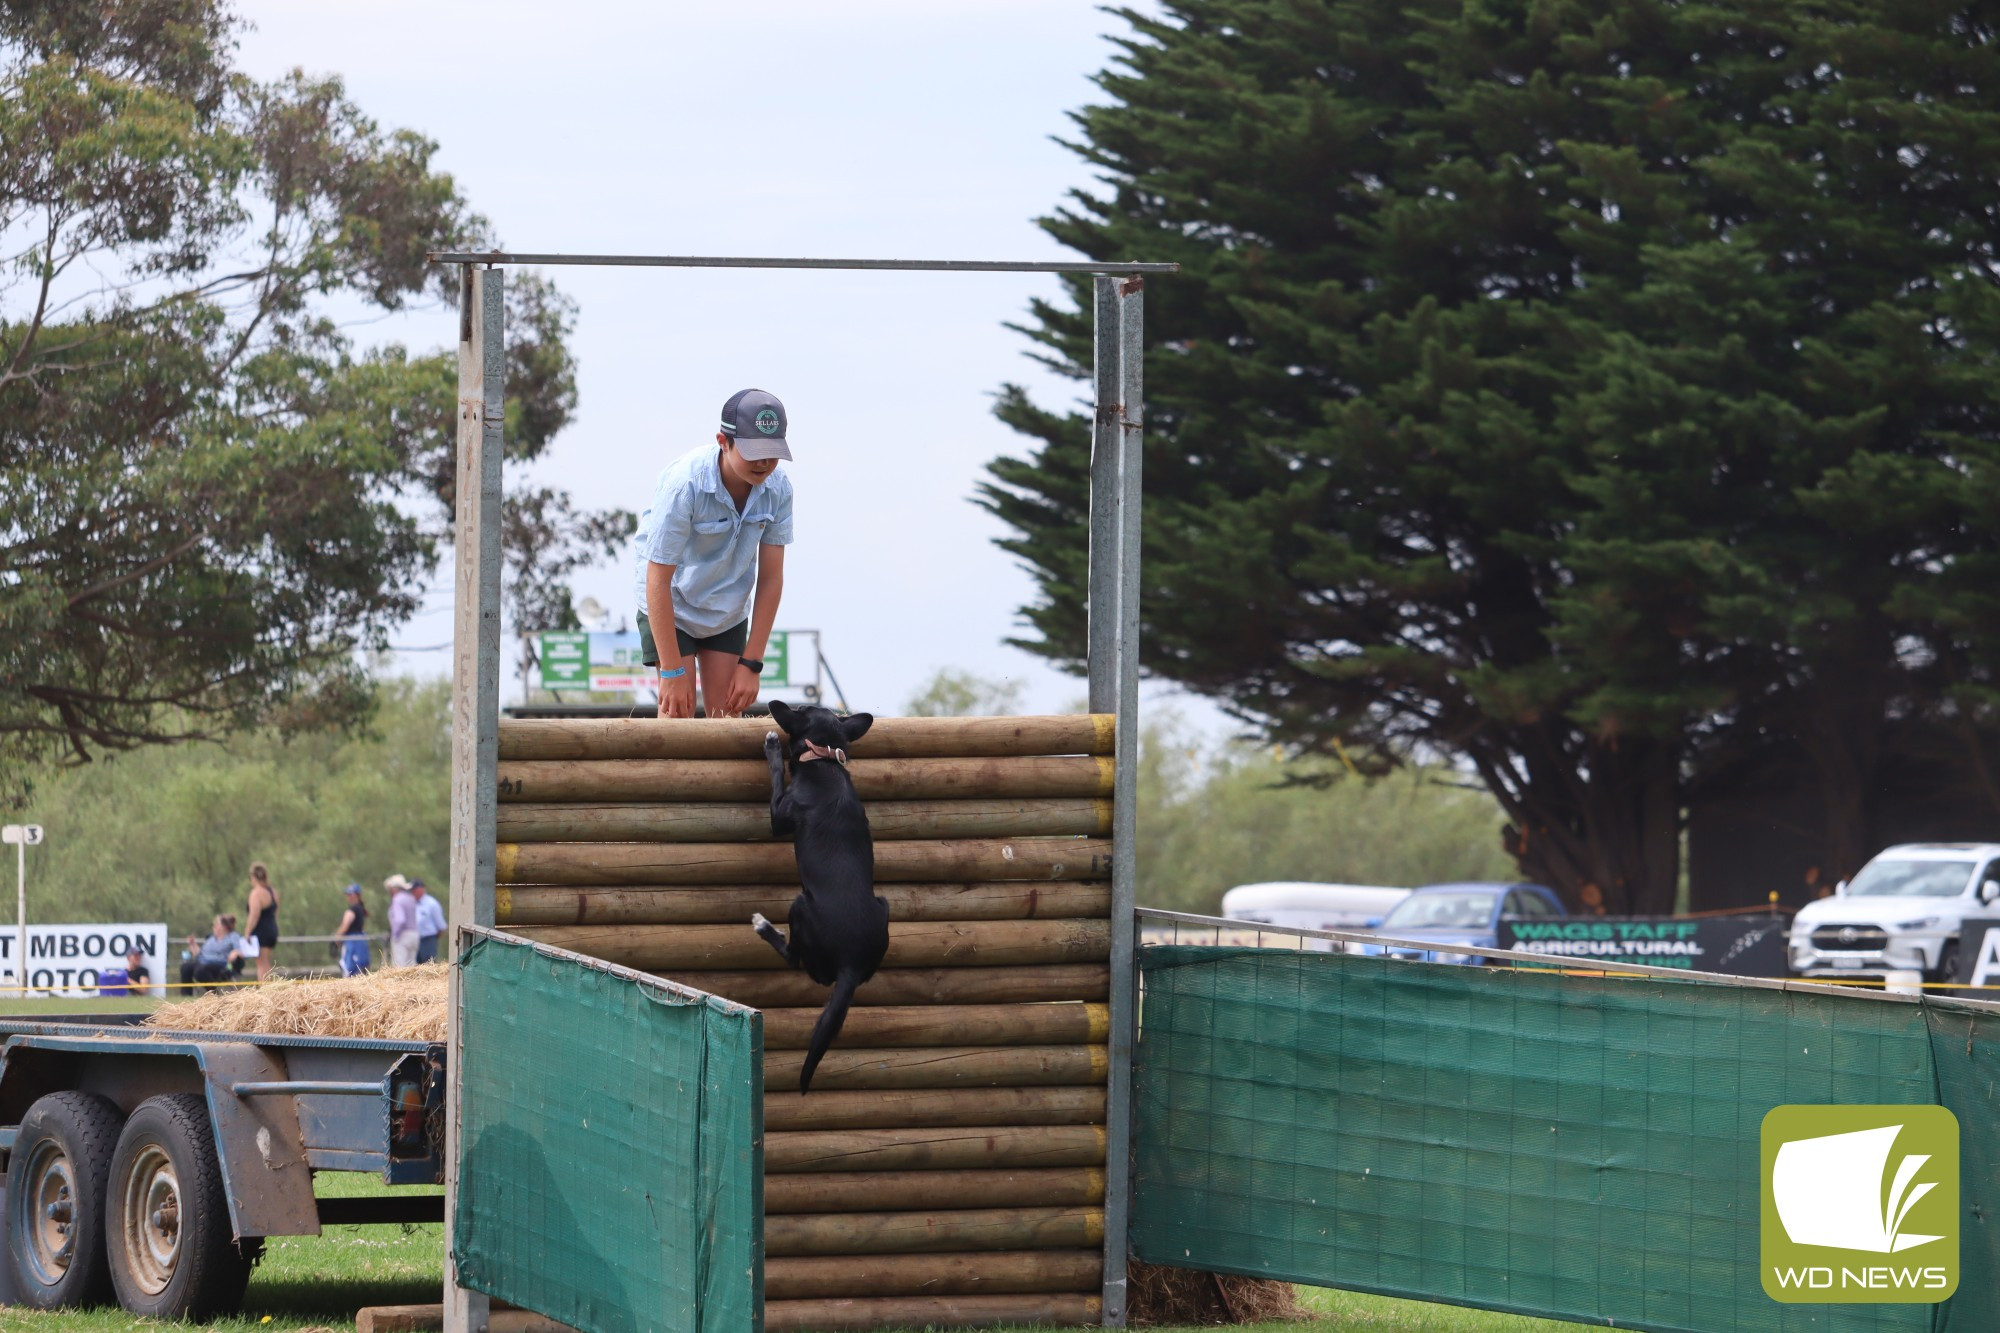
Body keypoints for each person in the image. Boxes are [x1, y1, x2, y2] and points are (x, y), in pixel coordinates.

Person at [633, 389, 794, 720]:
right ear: (724, 441)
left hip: (726, 610)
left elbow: (771, 579)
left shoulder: (778, 489)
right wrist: (673, 673)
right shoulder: (684, 485)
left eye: (772, 453)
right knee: (678, 719)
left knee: (726, 720)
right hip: (671, 605)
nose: (764, 463)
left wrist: (752, 662)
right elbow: (657, 579)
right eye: (754, 452)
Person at [179, 916, 245, 994]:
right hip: (203, 963)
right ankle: (186, 997)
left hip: (221, 965)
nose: (213, 926)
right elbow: (199, 954)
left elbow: (242, 952)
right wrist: (193, 944)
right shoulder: (211, 938)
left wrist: (235, 952)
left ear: (224, 927)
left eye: (216, 924)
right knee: (185, 967)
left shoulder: (233, 936)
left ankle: (214, 994)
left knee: (200, 970)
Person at [244, 861, 280, 983]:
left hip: (261, 931)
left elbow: (254, 915)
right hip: (272, 929)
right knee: (265, 961)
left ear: (254, 877)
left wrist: (247, 932)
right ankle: (269, 987)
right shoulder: (272, 891)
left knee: (260, 963)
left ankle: (264, 990)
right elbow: (276, 910)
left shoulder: (256, 893)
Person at [336, 884, 371, 977]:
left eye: (350, 894)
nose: (348, 897)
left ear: (355, 895)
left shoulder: (352, 910)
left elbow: (344, 927)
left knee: (350, 968)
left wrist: (336, 939)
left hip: (352, 943)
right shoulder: (360, 909)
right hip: (360, 942)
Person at [386, 873, 418, 967]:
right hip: (414, 934)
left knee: (399, 966)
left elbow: (400, 920)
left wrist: (395, 935)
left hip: (402, 935)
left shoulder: (397, 899)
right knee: (411, 966)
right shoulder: (410, 898)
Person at [412, 879, 446, 964]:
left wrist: (433, 939)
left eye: (414, 890)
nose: (412, 892)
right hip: (415, 940)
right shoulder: (412, 903)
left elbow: (441, 926)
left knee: (428, 965)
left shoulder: (432, 903)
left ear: (421, 889)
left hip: (428, 939)